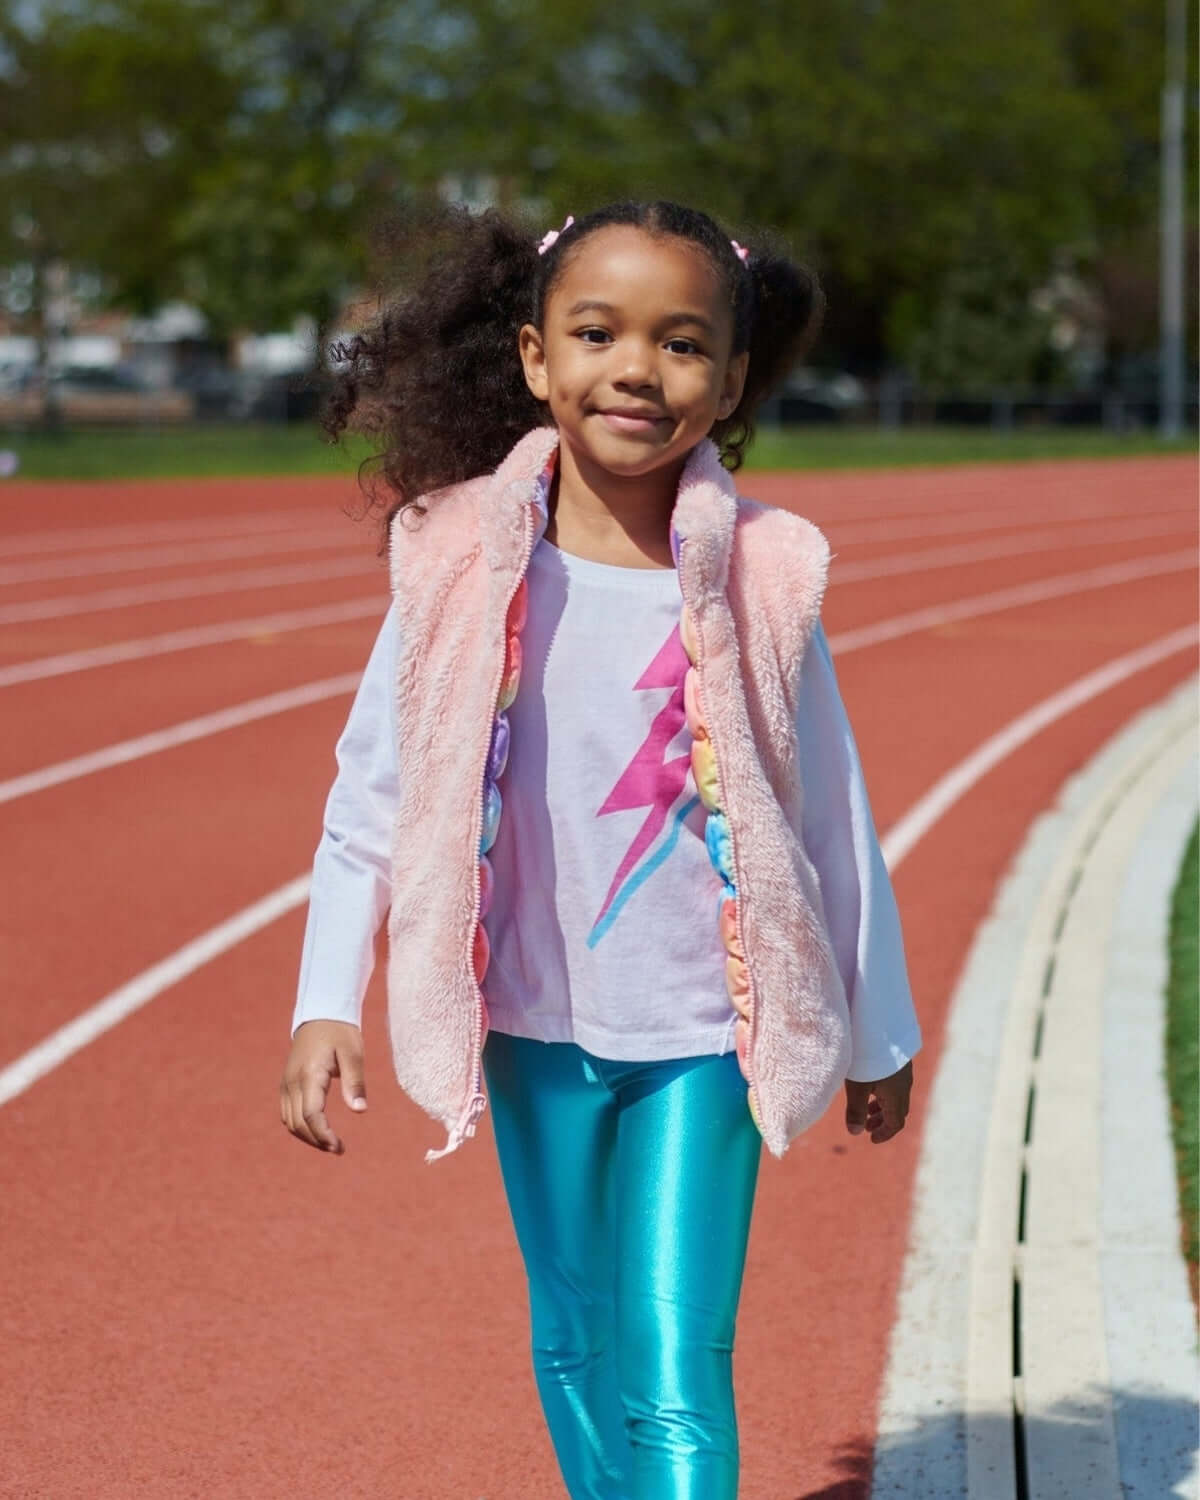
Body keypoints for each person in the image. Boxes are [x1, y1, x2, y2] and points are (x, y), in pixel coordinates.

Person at [278, 199, 922, 1500]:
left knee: (677, 1362)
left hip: (700, 1038)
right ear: (535, 358)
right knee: (573, 1341)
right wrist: (319, 1001)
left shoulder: (765, 577)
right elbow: (371, 794)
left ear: (731, 382)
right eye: (597, 332)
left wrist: (878, 1029)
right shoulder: (456, 563)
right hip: (531, 1030)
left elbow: (830, 817)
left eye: (683, 344)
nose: (637, 368)